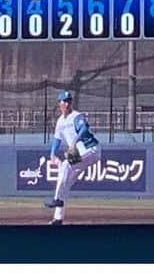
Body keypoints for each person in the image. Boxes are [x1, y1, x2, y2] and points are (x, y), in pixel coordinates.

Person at [43, 89, 102, 225]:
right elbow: (57, 139)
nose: (67, 103)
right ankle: (58, 218)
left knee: (65, 165)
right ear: (59, 103)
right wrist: (52, 153)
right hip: (79, 154)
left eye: (68, 101)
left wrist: (74, 141)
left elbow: (84, 129)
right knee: (66, 182)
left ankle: (57, 199)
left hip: (91, 149)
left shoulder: (77, 116)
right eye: (64, 101)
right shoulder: (59, 122)